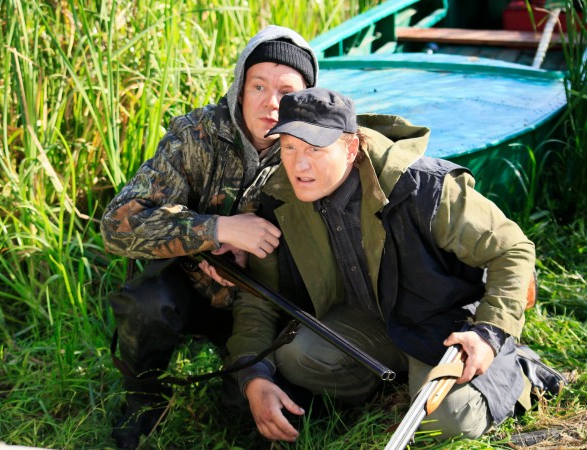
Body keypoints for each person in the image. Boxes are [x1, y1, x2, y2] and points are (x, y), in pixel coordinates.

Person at [226, 87, 538, 443]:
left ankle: (517, 367)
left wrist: (490, 333)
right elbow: (259, 298)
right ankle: (390, 382)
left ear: (351, 148)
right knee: (295, 357)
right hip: (366, 320)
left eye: (315, 149)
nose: (299, 165)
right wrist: (254, 375)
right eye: (289, 147)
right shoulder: (278, 200)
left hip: (442, 322)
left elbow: (513, 250)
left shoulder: (425, 187)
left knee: (450, 422)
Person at [100, 26, 318, 449]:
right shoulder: (195, 134)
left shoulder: (313, 149)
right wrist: (213, 230)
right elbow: (117, 225)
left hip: (265, 304)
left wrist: (256, 258)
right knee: (148, 304)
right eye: (258, 86)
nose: (271, 103)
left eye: (287, 92)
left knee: (257, 420)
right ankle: (144, 397)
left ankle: (244, 381)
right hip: (190, 289)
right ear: (240, 88)